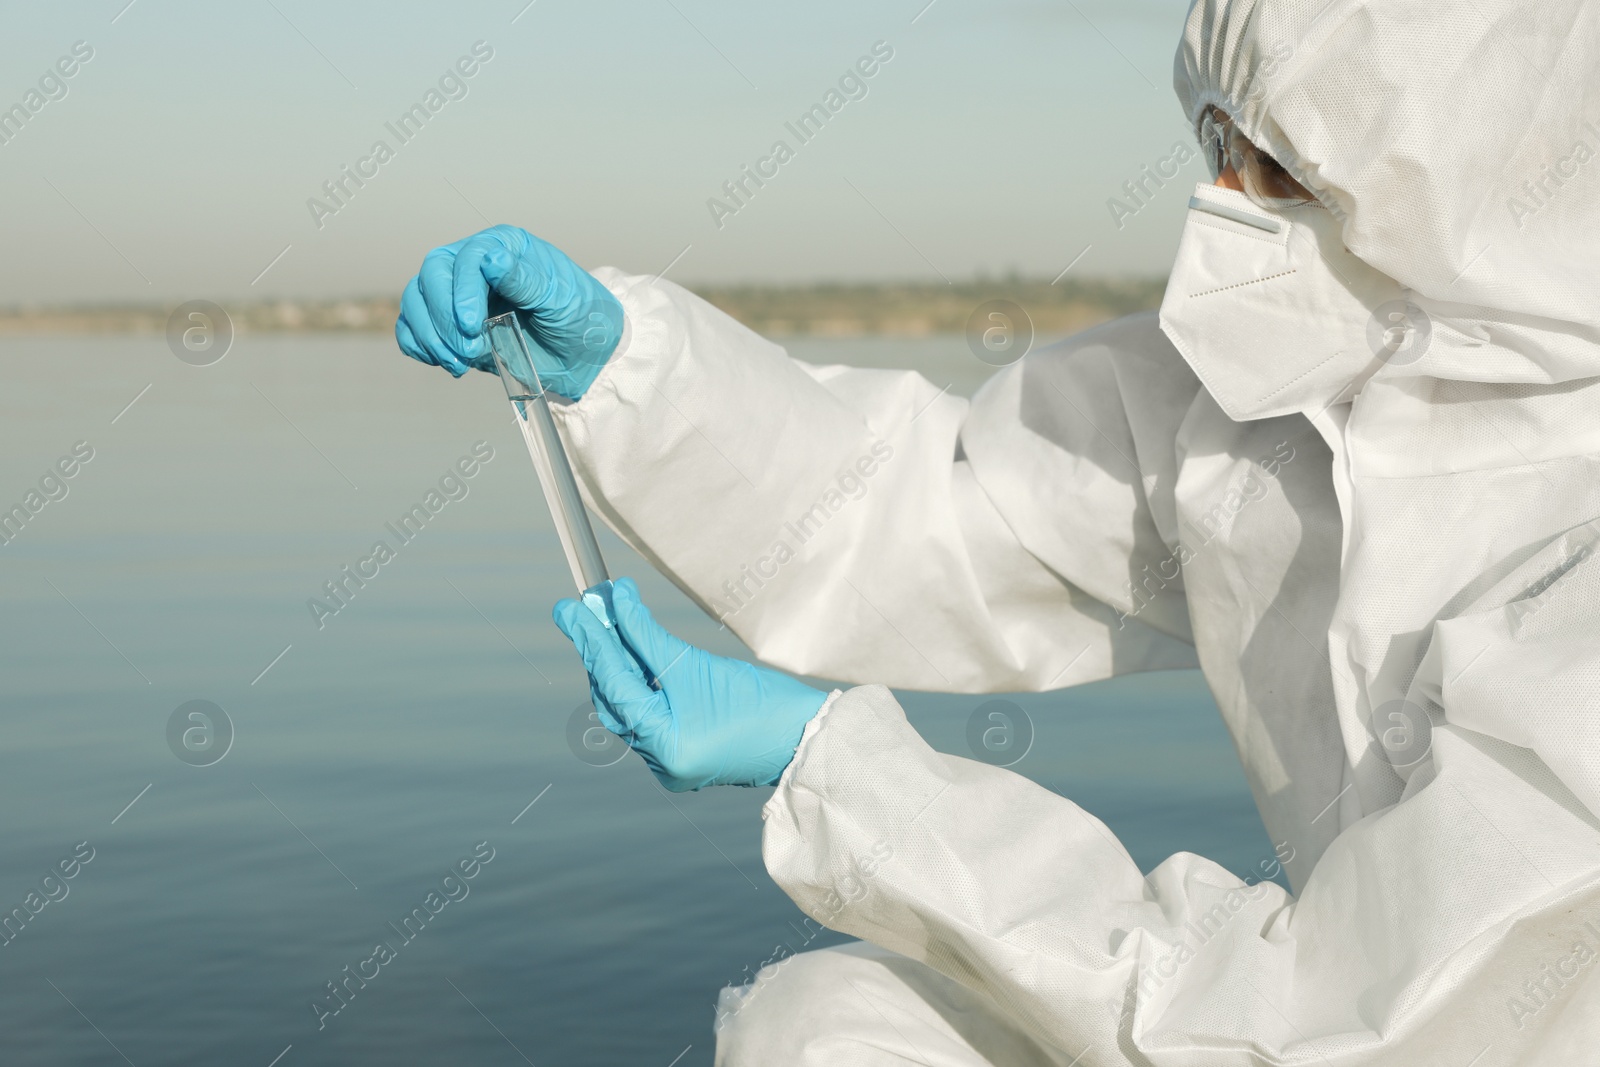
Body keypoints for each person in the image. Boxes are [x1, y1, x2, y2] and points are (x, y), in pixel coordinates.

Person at [396, 0, 1600, 1061]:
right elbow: (928, 509)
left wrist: (840, 770)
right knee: (826, 1032)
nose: (1217, 212)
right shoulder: (1269, 405)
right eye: (1215, 144)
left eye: (1277, 167)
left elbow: (1323, 1029)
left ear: (1475, 186)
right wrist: (630, 372)